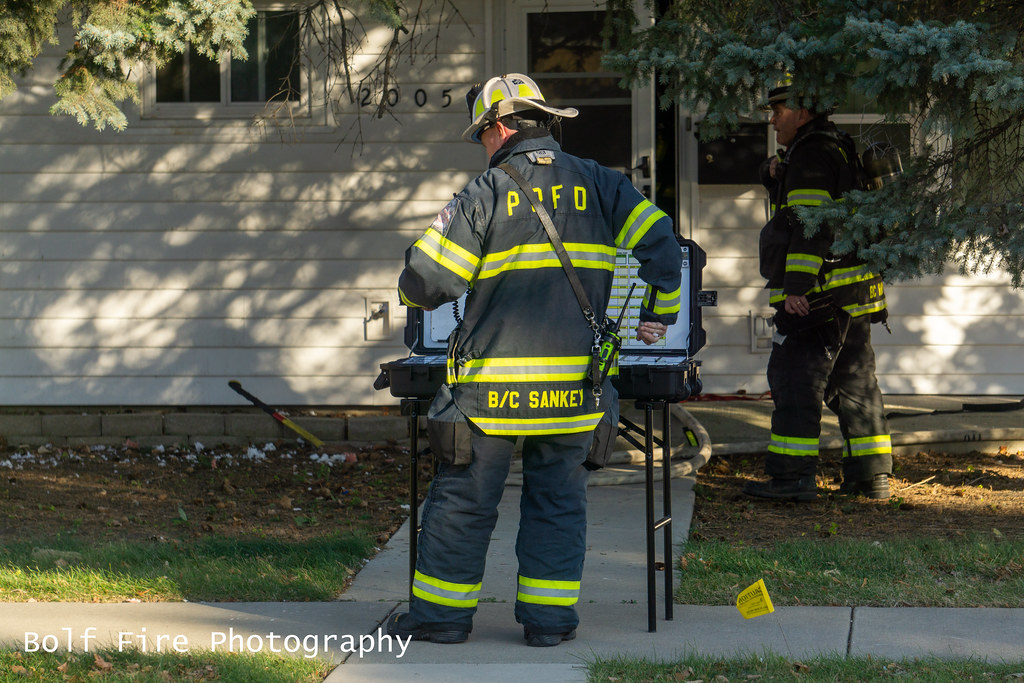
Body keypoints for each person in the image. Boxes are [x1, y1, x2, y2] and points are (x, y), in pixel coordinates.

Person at [387, 73, 682, 646]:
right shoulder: (602, 183)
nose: (483, 146)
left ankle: (442, 620)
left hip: (490, 395)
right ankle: (549, 625)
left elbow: (425, 281)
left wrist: (407, 287)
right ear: (543, 121)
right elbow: (663, 243)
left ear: (498, 128)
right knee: (557, 506)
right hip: (575, 393)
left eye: (481, 136)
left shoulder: (486, 192)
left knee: (464, 506)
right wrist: (660, 313)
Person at [743, 83, 893, 502]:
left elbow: (812, 225)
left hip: (819, 297)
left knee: (795, 379)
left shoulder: (811, 154)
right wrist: (771, 172)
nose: (772, 119)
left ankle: (791, 479)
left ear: (804, 112)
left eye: (779, 111)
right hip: (854, 293)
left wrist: (796, 290)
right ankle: (871, 476)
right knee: (855, 382)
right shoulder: (835, 147)